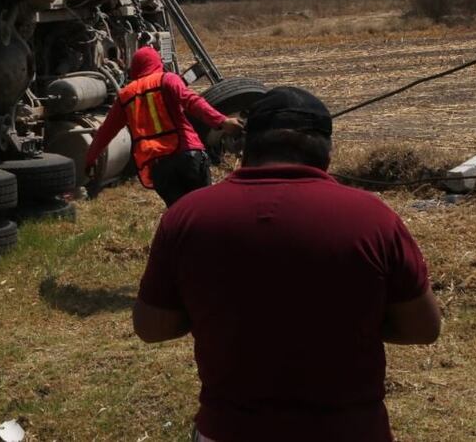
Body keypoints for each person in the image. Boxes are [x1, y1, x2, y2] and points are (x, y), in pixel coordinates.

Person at [132, 86, 441, 442]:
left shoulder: (187, 217)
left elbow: (151, 327)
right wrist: (344, 320)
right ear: (327, 150)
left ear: (247, 148)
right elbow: (423, 328)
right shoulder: (373, 218)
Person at [83, 46, 242, 206]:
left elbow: (105, 132)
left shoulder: (126, 95)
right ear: (157, 63)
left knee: (179, 215)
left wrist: (90, 160)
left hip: (159, 167)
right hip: (187, 155)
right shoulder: (167, 79)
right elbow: (192, 102)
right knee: (203, 210)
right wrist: (222, 121)